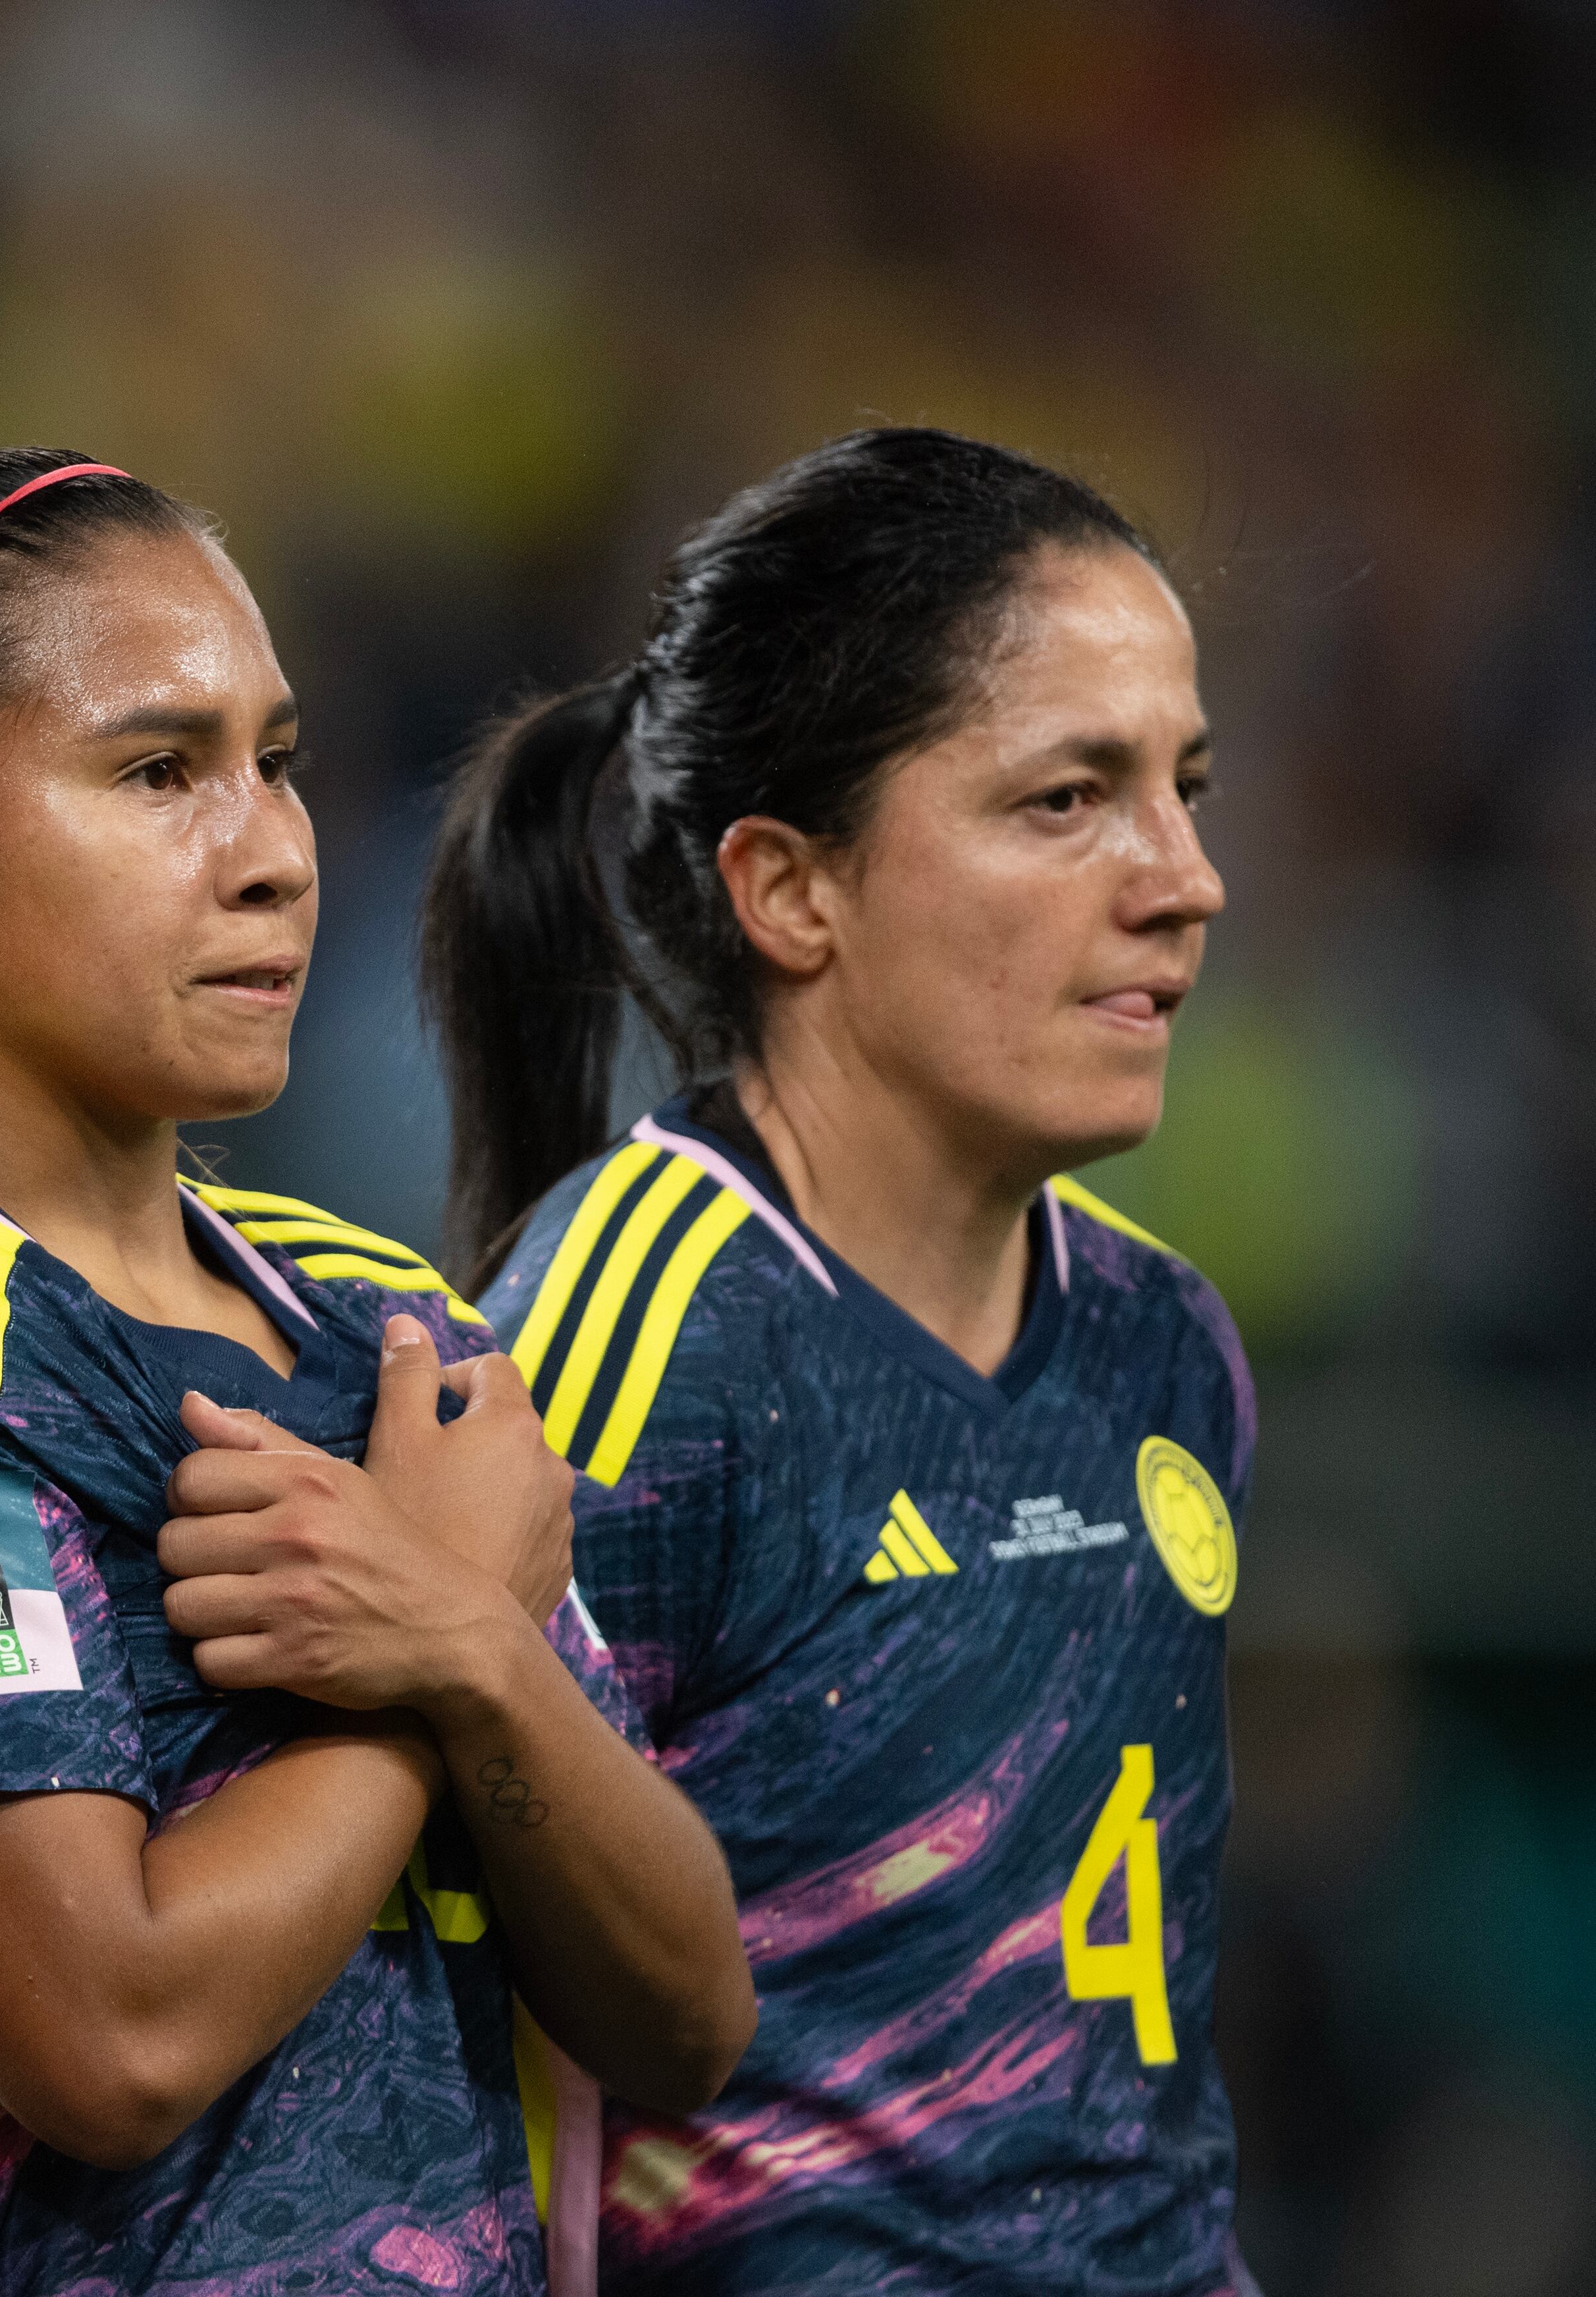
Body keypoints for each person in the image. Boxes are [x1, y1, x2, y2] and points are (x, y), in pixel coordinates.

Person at [0, 444, 753, 2294]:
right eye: (156, 770)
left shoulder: (379, 1317)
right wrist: (434, 1641)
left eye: (272, 760)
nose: (272, 850)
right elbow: (106, 2033)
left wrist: (482, 1663)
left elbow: (681, 2016)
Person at [423, 426, 1251, 2290]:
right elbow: (457, 2030)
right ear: (792, 891)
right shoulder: (627, 1354)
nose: (1184, 877)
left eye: (1186, 788)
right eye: (1068, 800)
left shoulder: (1166, 1342)